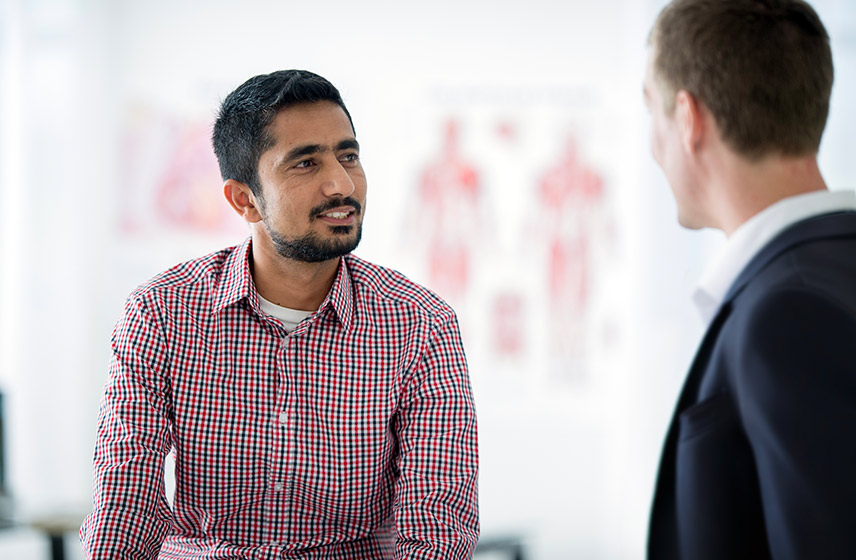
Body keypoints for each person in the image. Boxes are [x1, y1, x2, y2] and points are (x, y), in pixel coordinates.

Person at [80, 70, 479, 559]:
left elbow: (437, 530)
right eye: (306, 163)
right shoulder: (162, 312)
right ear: (244, 199)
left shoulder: (419, 322)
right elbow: (125, 501)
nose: (341, 183)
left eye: (348, 156)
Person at [643, 1, 856, 558]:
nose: (651, 145)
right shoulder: (829, 273)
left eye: (652, 110)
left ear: (688, 119)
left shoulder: (787, 315)